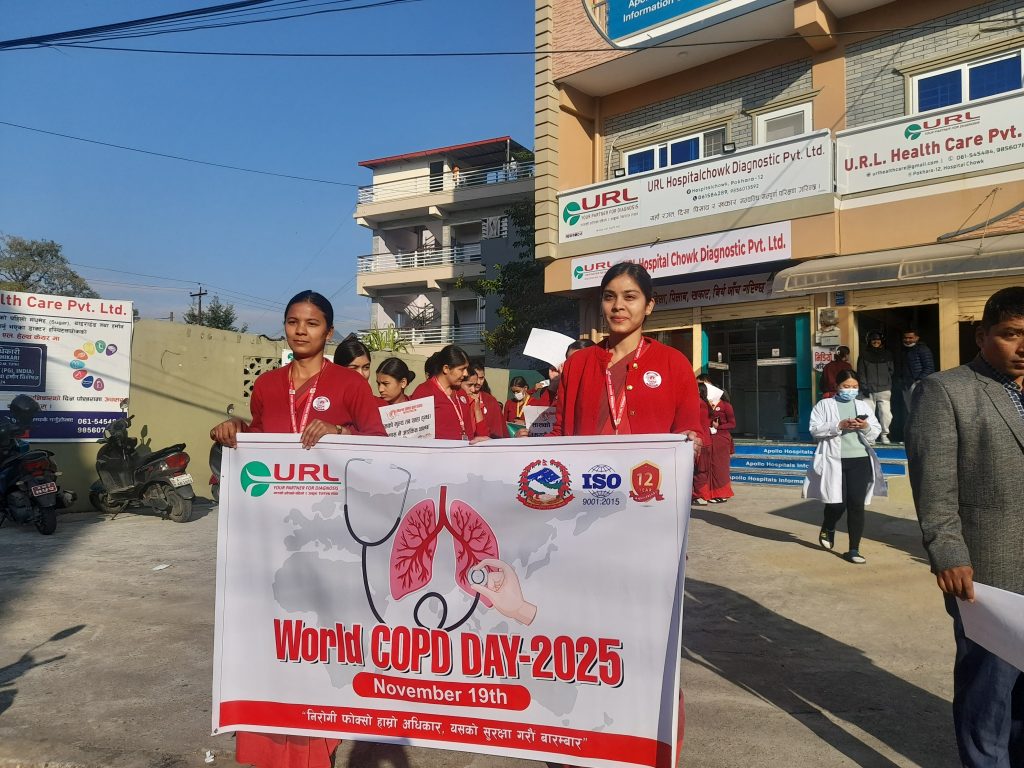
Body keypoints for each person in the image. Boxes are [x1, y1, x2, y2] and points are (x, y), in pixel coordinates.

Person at [210, 290, 386, 768]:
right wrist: (235, 429)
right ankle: (272, 743)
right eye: (293, 321)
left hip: (333, 537)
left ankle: (318, 744)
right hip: (275, 537)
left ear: (329, 331)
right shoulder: (268, 385)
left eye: (312, 323)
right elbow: (262, 440)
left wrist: (341, 433)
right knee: (274, 638)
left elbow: (380, 445)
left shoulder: (349, 384)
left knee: (321, 640)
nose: (301, 330)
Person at [547, 261, 700, 763]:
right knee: (585, 633)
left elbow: (693, 429)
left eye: (630, 297)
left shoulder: (673, 365)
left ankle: (652, 742)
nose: (618, 306)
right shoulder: (579, 364)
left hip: (649, 527)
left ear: (649, 305)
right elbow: (560, 438)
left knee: (648, 639)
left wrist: (691, 443)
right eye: (610, 296)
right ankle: (584, 738)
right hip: (584, 525)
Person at [905, 286, 1024, 767]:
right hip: (990, 570)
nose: (1022, 347)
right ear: (981, 335)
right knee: (989, 690)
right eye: (1010, 334)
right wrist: (948, 553)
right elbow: (934, 484)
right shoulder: (946, 390)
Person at [803, 369, 886, 564]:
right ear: (837, 386)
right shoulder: (824, 405)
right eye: (846, 386)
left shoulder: (862, 405)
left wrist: (865, 427)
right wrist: (838, 425)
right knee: (837, 503)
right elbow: (814, 430)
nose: (851, 390)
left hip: (860, 460)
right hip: (835, 460)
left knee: (856, 504)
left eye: (854, 386)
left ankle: (854, 549)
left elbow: (875, 431)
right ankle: (829, 526)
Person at [410, 345, 487, 441]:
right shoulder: (424, 392)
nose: (466, 374)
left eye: (466, 369)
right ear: (446, 368)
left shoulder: (461, 392)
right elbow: (415, 434)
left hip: (464, 448)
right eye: (461, 369)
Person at [699, 375, 735, 503]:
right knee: (711, 467)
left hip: (722, 439)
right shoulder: (707, 404)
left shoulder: (726, 406)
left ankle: (722, 492)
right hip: (710, 438)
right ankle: (711, 493)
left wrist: (718, 427)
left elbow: (732, 424)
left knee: (721, 467)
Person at [857, 331, 895, 444]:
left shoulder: (888, 354)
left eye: (878, 339)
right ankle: (870, 436)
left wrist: (886, 381)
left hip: (884, 389)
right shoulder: (864, 355)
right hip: (868, 389)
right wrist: (864, 386)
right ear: (869, 341)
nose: (876, 341)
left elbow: (891, 370)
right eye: (873, 340)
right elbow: (861, 372)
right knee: (868, 414)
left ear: (881, 341)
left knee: (886, 415)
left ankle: (884, 435)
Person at [469, 360, 506, 438]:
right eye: (476, 378)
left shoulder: (490, 400)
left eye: (481, 378)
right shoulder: (459, 397)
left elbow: (497, 431)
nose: (478, 382)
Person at [901, 328, 935, 412]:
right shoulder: (903, 350)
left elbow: (929, 367)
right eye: (905, 338)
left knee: (920, 408)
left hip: (917, 383)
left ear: (917, 338)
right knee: (910, 410)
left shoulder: (923, 349)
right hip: (906, 385)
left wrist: (918, 381)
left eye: (910, 338)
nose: (907, 340)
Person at [691, 383, 713, 506]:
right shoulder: (706, 404)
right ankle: (702, 495)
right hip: (706, 441)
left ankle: (699, 496)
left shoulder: (698, 404)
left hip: (700, 442)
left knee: (699, 471)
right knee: (702, 471)